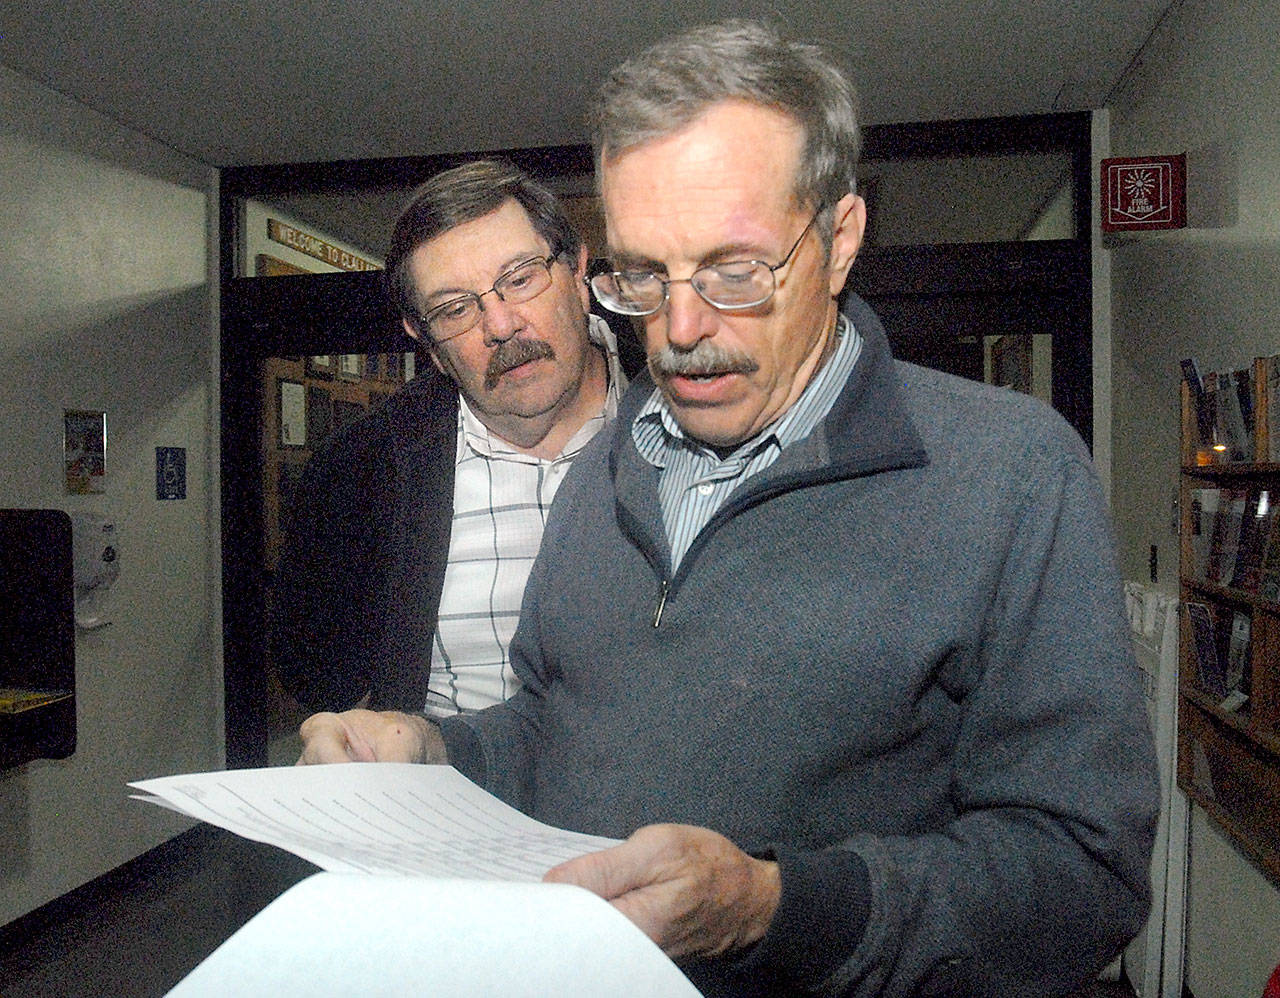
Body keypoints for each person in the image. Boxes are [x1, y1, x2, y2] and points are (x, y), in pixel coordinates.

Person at [298, 20, 1159, 997]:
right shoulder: (607, 462)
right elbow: (552, 723)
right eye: (642, 274)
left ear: (837, 241)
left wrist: (769, 907)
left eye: (733, 270)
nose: (680, 328)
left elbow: (1081, 877)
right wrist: (432, 748)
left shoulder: (1008, 468)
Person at [272, 159, 633, 717]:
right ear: (426, 340)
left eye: (520, 279)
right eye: (455, 309)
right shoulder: (363, 473)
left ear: (579, 272)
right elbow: (317, 675)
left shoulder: (701, 416)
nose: (501, 325)